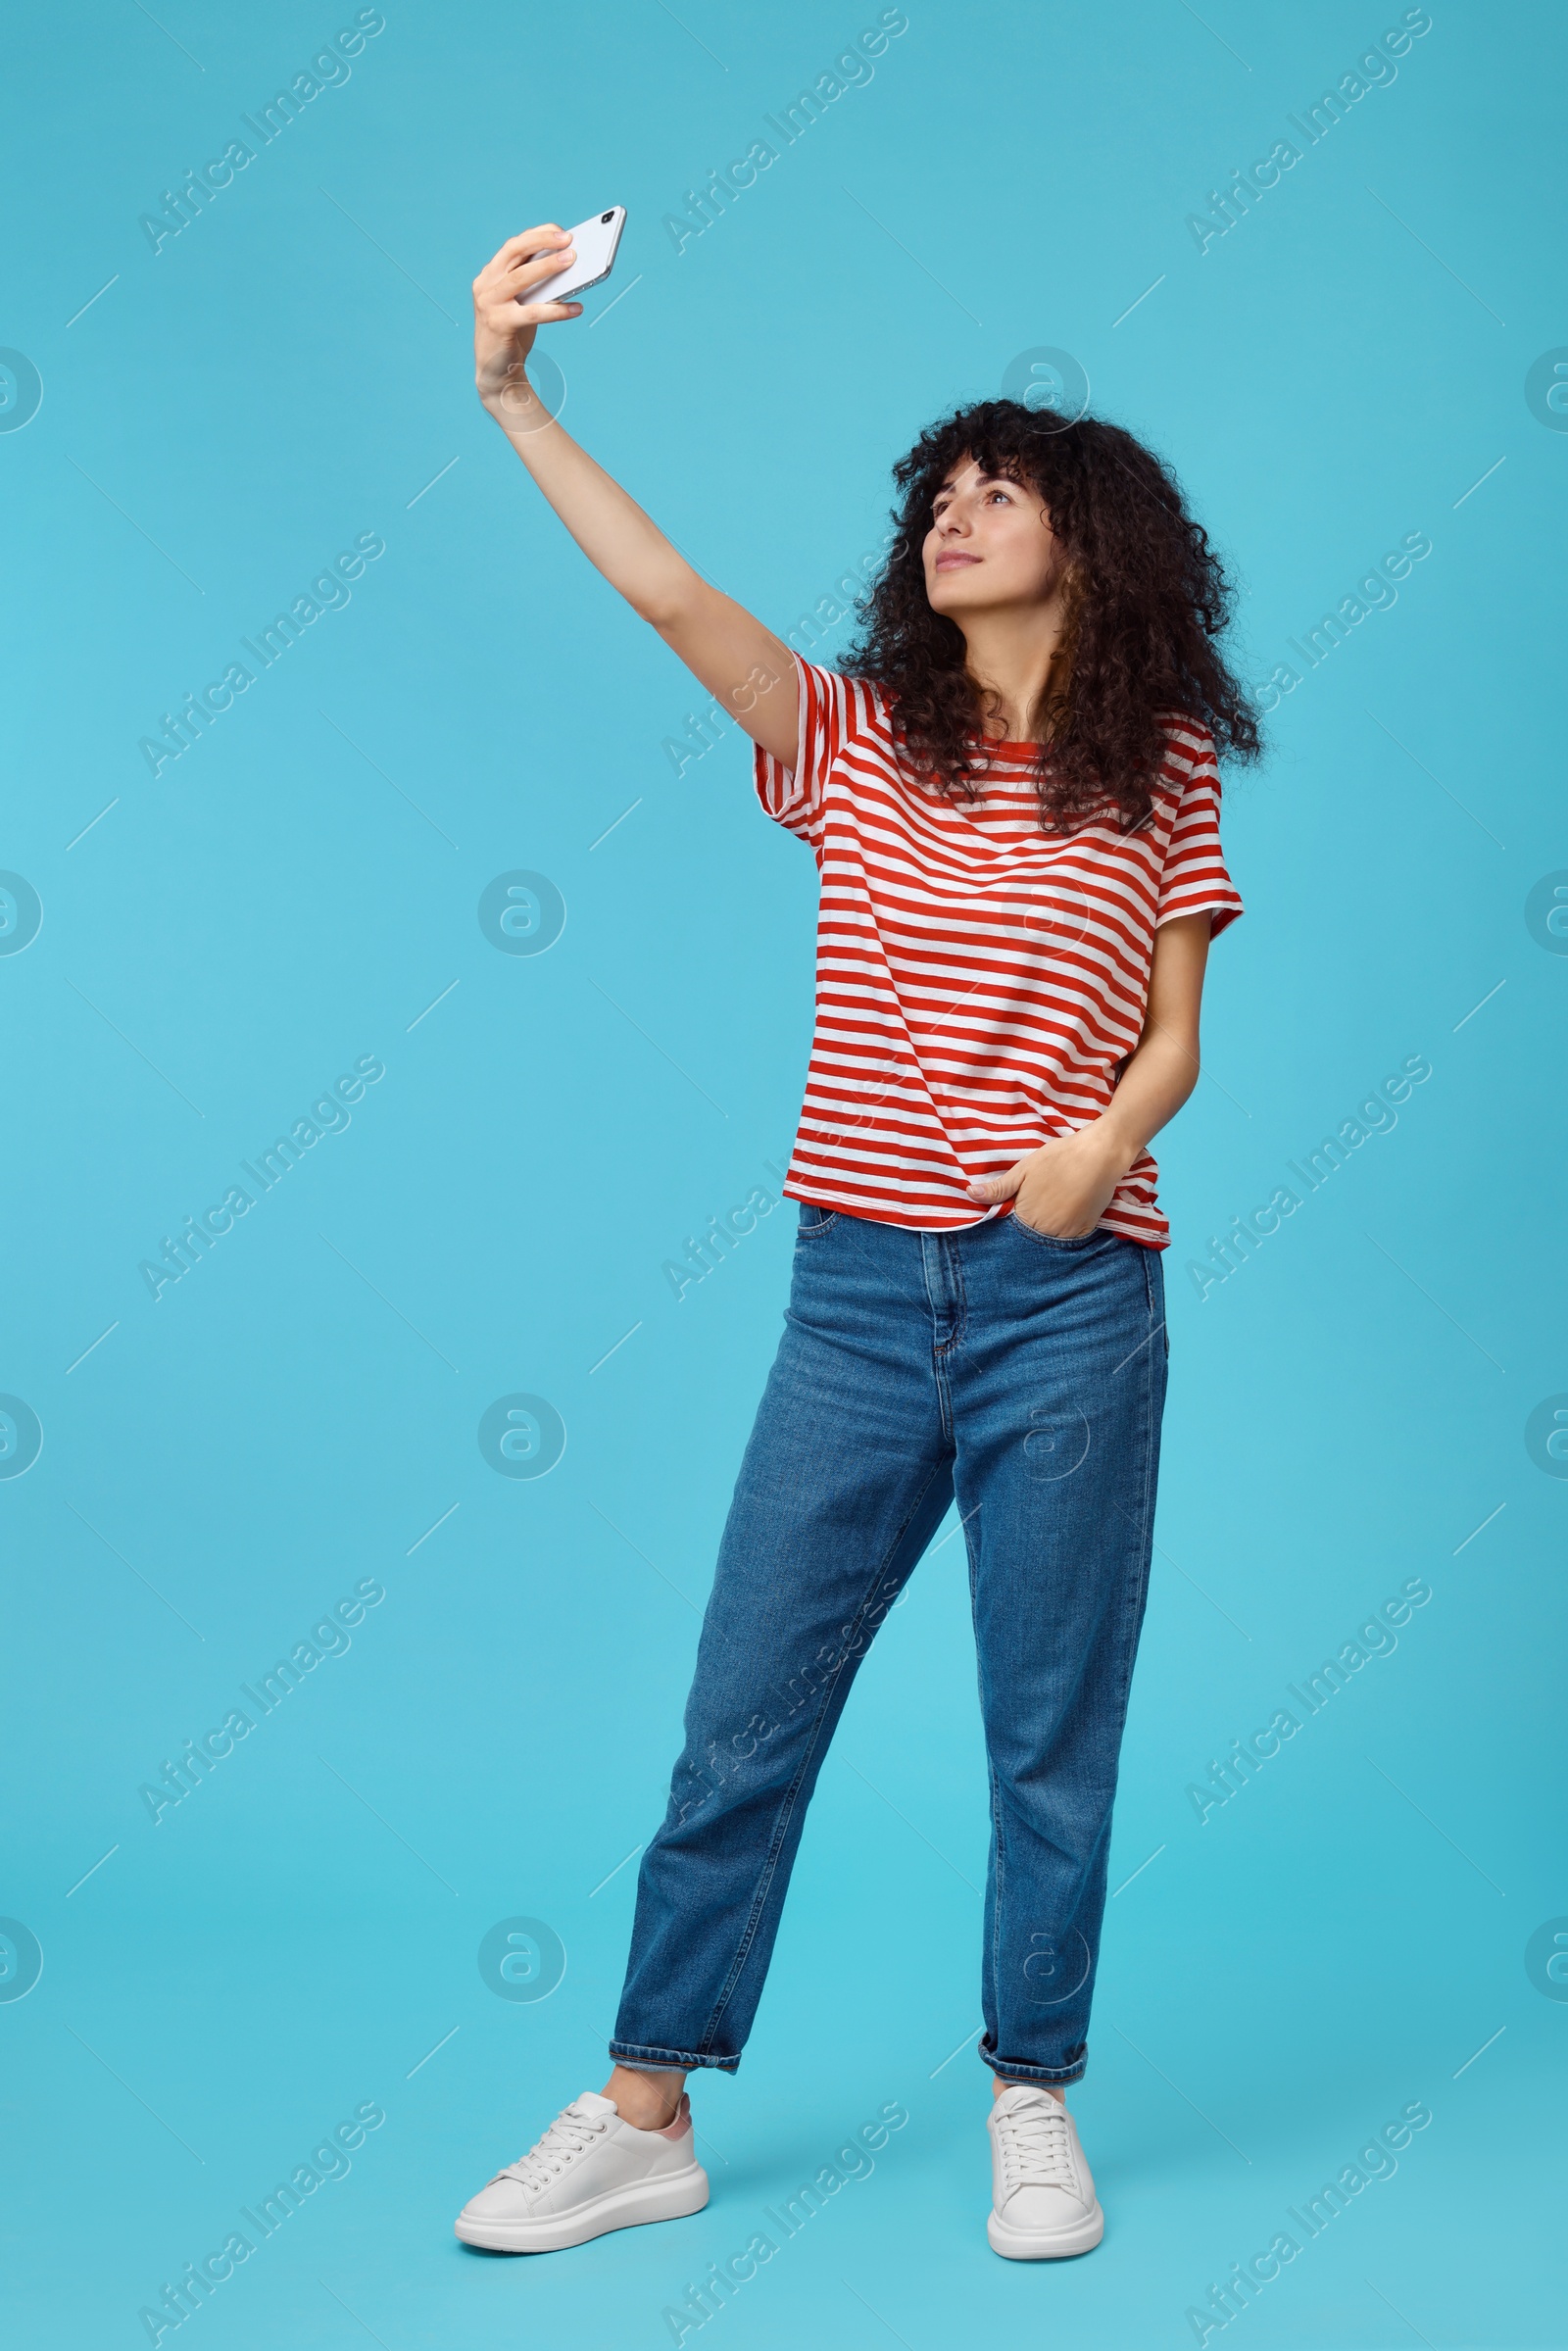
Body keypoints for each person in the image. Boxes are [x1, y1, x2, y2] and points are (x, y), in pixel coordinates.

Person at [455, 222, 1260, 2263]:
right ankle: (645, 2111)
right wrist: (511, 391)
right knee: (747, 1710)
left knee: (1045, 1725)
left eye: (994, 495)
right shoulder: (846, 743)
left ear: (1092, 539)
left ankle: (1031, 2092)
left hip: (1065, 1298)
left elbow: (1172, 1034)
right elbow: (662, 594)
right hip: (849, 1293)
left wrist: (1101, 1144)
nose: (950, 521)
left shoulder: (1158, 767)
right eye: (935, 499)